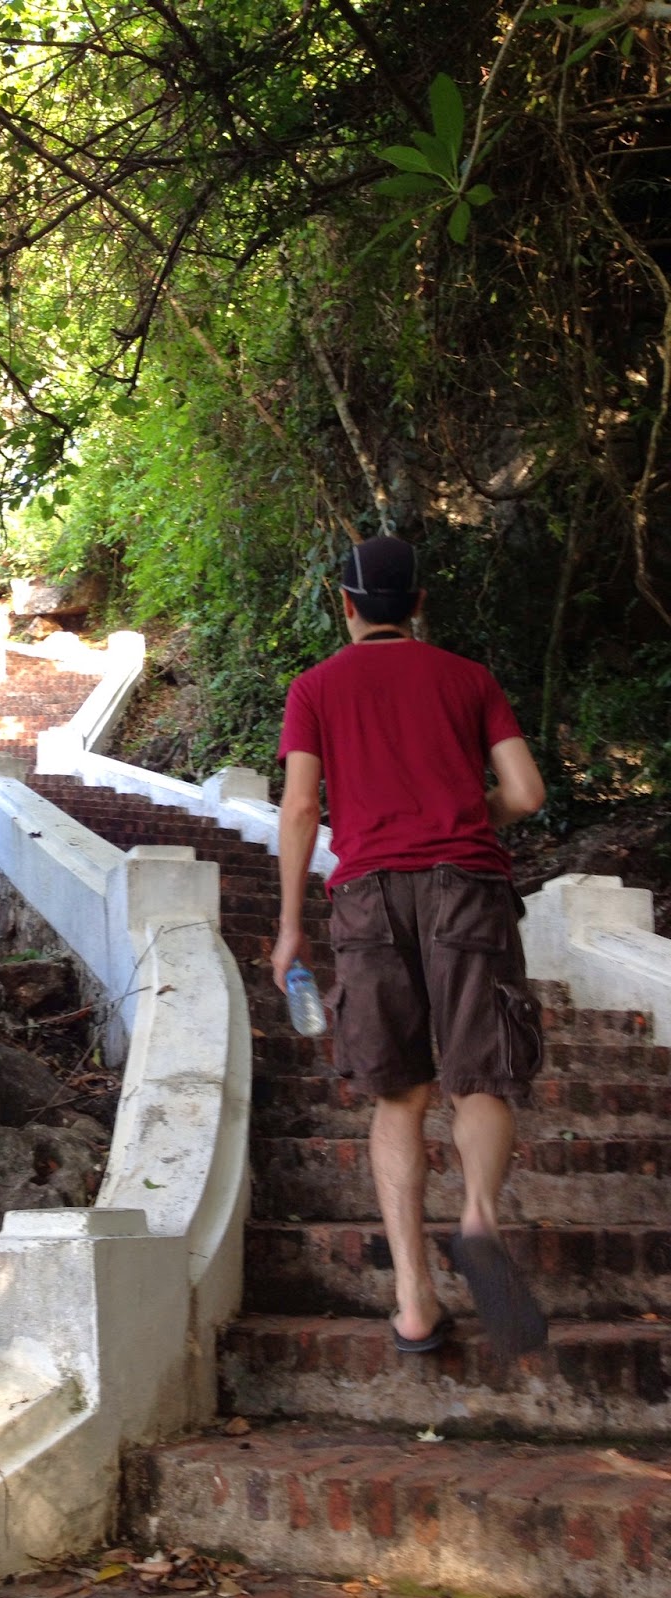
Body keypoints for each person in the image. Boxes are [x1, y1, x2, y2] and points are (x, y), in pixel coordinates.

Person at [271, 535, 548, 1359]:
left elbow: (296, 810)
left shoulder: (314, 688)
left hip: (366, 895)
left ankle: (414, 1299)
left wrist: (290, 926)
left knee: (400, 1095)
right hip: (467, 883)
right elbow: (527, 793)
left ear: (345, 603)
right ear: (419, 604)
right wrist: (463, 817)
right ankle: (478, 1220)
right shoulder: (468, 679)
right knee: (481, 1075)